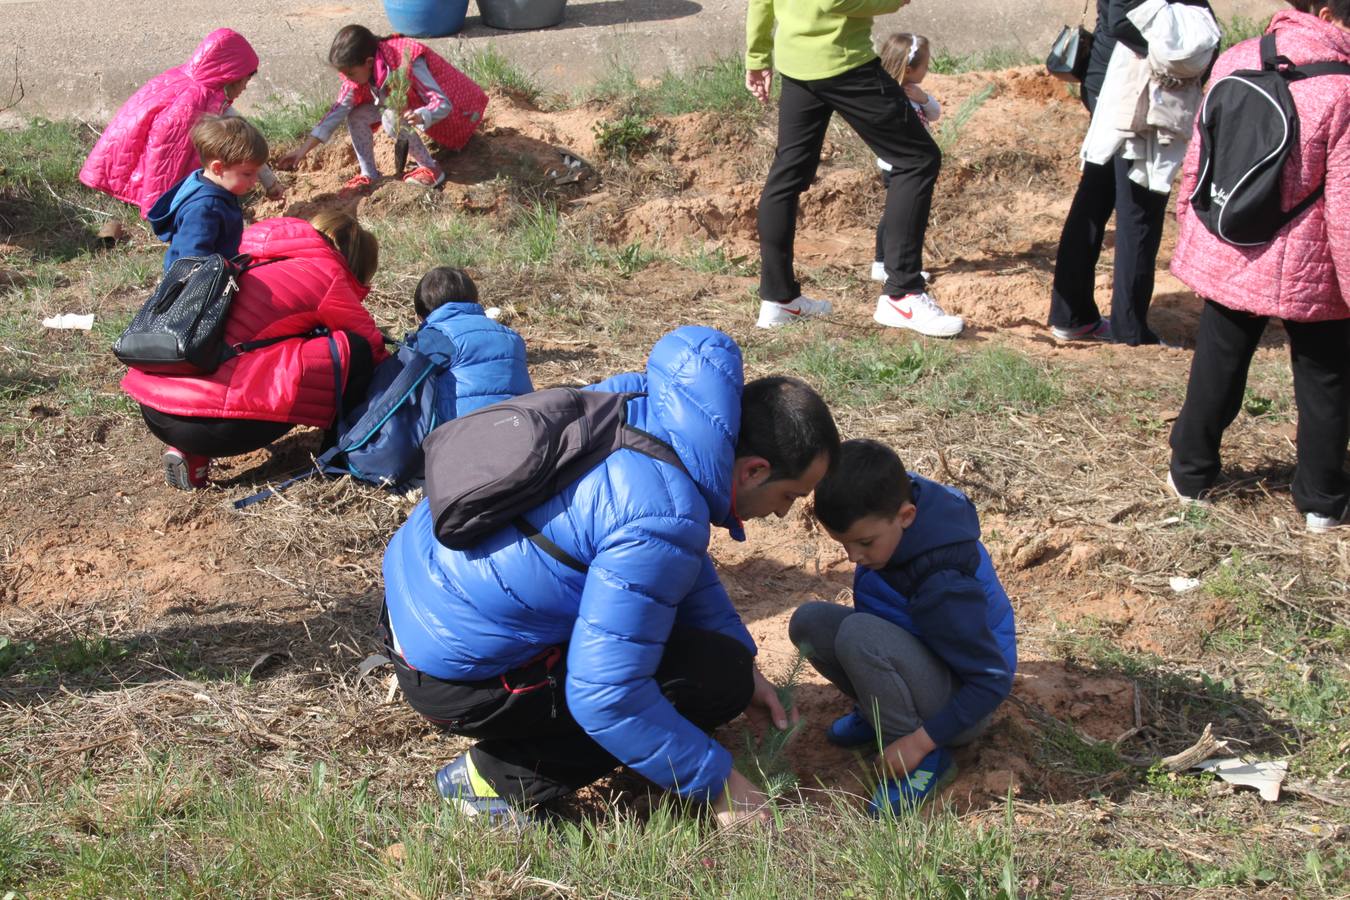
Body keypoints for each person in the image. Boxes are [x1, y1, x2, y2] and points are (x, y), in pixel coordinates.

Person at [381, 327, 841, 825]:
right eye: (791, 497)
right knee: (701, 681)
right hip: (456, 675)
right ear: (753, 470)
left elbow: (669, 562)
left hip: (421, 601)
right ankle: (491, 780)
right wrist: (721, 786)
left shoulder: (648, 405)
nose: (781, 515)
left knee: (724, 667)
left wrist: (741, 660)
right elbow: (606, 696)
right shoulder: (665, 510)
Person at [1167, 0, 1350, 533]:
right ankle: (1321, 500)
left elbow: (1200, 157)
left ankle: (1190, 473)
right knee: (1325, 377)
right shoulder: (1343, 89)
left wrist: (1190, 226)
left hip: (1231, 239)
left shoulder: (1238, 58)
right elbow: (1344, 209)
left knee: (1218, 360)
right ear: (1323, 12)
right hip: (1308, 258)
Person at [790, 439, 1015, 815]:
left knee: (860, 635)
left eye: (863, 543)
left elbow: (991, 681)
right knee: (809, 623)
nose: (853, 557)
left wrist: (919, 742)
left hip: (964, 706)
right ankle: (879, 714)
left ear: (906, 516)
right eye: (843, 544)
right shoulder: (885, 507)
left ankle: (920, 758)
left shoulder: (943, 582)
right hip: (924, 661)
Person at [121, 211, 387, 489]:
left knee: (240, 353)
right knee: (353, 350)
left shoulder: (252, 257)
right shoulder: (327, 273)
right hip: (213, 427)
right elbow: (373, 348)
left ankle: (190, 453)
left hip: (155, 408)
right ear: (353, 263)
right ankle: (342, 452)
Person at [746, 0, 963, 338]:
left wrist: (758, 55)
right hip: (842, 60)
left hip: (796, 61)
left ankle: (778, 298)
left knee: (786, 176)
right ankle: (902, 293)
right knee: (917, 158)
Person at [1048, 0, 1218, 345]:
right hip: (1133, 90)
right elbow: (1124, 18)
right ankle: (1130, 330)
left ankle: (1073, 317)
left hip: (1115, 81)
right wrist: (1184, 53)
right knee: (1140, 207)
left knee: (1096, 199)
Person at [79, 29, 283, 218]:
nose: (245, 89)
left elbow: (243, 133)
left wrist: (269, 181)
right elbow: (165, 156)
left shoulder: (195, 86)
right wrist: (160, 206)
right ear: (230, 77)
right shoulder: (192, 104)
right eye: (244, 82)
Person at [274, 24, 488, 191]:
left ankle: (431, 168)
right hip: (406, 108)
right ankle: (369, 174)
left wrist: (422, 115)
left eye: (350, 73)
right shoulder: (361, 74)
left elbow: (442, 103)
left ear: (368, 62)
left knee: (390, 118)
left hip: (456, 113)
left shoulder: (405, 59)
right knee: (356, 115)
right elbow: (336, 113)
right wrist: (302, 151)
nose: (348, 79)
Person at [148, 116, 268, 271]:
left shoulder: (211, 186)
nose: (255, 180)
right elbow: (193, 260)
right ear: (218, 168)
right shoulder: (205, 208)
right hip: (199, 287)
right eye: (248, 174)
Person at [409, 266, 534, 416]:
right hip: (522, 429)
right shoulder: (513, 338)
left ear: (420, 318)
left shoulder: (434, 337)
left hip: (463, 433)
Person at [870, 32, 940, 298]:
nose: (928, 68)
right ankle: (889, 264)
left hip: (909, 161)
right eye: (925, 65)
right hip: (895, 164)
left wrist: (923, 99)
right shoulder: (888, 95)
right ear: (909, 69)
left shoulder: (913, 93)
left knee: (894, 214)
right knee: (900, 215)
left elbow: (934, 114)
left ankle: (885, 263)